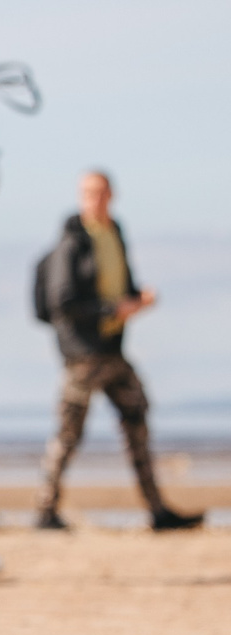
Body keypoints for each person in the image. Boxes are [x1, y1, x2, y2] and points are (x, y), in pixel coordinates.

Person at [35, 170, 202, 532]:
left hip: (112, 350)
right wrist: (114, 310)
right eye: (87, 193)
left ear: (111, 195)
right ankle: (45, 510)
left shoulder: (114, 233)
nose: (93, 200)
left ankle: (157, 510)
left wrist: (136, 299)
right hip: (83, 355)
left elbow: (117, 286)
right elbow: (62, 302)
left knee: (137, 416)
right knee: (68, 431)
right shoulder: (71, 241)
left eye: (99, 192)